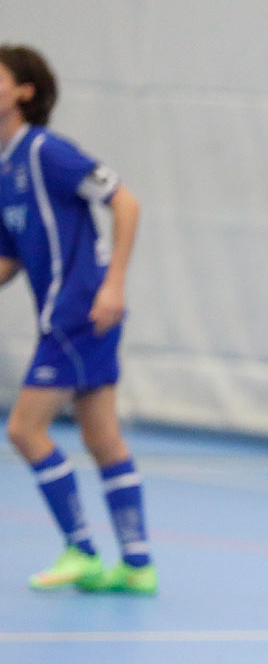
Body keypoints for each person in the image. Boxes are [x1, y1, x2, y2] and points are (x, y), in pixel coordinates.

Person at [0, 44, 156, 594]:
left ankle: (82, 549)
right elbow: (9, 259)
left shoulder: (46, 152)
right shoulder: (4, 169)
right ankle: (137, 565)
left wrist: (114, 283)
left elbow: (126, 201)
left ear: (24, 92)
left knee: (24, 429)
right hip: (68, 313)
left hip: (79, 310)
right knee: (102, 437)